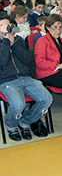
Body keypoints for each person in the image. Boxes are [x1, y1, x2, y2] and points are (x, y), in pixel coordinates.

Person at [0, 12, 52, 141]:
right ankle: (11, 126)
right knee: (18, 105)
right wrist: (6, 43)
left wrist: (14, 45)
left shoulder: (18, 40)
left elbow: (27, 59)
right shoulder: (4, 42)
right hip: (7, 81)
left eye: (8, 24)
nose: (6, 27)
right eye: (2, 25)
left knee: (47, 99)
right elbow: (2, 63)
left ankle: (25, 122)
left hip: (26, 78)